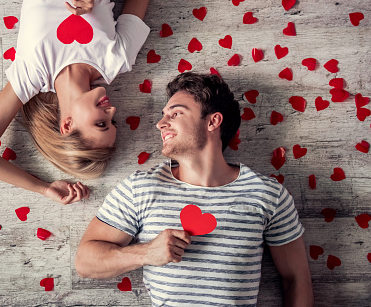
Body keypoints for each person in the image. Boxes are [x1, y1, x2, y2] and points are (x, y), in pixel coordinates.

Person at [75, 72, 314, 306]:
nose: (160, 124)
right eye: (163, 115)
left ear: (213, 121)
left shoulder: (269, 195)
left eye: (176, 113)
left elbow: (296, 279)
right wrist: (146, 254)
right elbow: (85, 262)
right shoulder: (140, 188)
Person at [0, 0, 152, 204]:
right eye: (112, 120)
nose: (112, 110)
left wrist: (42, 188)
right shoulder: (118, 59)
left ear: (67, 125)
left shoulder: (31, 74)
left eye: (101, 123)